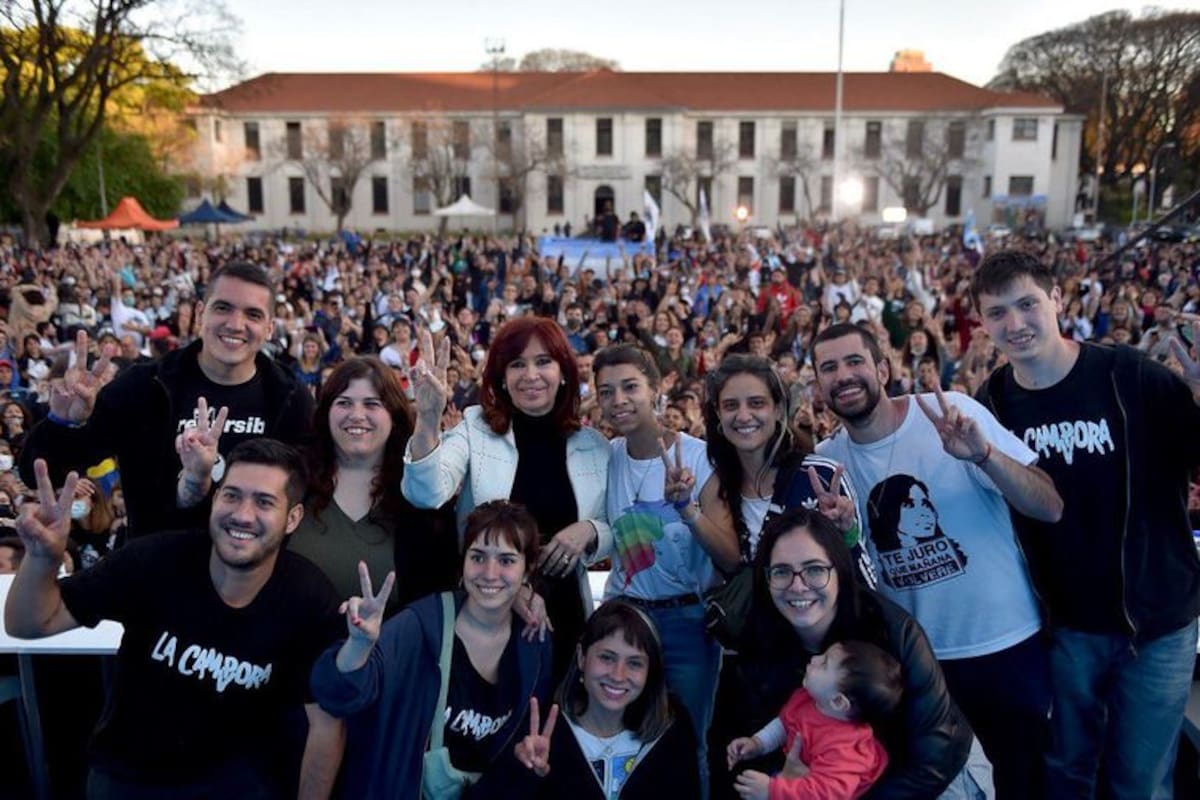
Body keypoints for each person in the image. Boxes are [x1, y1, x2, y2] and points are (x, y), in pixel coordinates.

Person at [971, 250, 1200, 800]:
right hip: (1067, 626)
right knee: (1066, 772)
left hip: (1160, 622)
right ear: (982, 323)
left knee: (1140, 782)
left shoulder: (1129, 376)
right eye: (997, 312)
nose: (1015, 324)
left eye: (1027, 304)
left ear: (1057, 300)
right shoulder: (994, 404)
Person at [4, 439, 345, 798]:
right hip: (128, 778)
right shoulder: (155, 561)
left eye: (264, 502)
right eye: (231, 495)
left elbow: (325, 726)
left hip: (238, 784)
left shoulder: (308, 597)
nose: (242, 514)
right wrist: (41, 559)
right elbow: (28, 623)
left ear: (292, 518)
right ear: (215, 500)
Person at [811, 322, 1063, 799]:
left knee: (1027, 784)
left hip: (1006, 649)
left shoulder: (951, 414)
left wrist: (983, 455)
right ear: (818, 385)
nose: (843, 376)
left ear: (882, 367)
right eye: (828, 368)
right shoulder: (827, 463)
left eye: (854, 362)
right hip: (920, 667)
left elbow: (1049, 504)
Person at [19, 261, 315, 538]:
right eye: (223, 308)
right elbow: (38, 473)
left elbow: (304, 495)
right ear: (201, 313)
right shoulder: (144, 386)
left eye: (253, 314)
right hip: (153, 572)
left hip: (252, 578)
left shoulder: (289, 397)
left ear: (270, 328)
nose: (236, 324)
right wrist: (63, 423)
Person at [403, 317, 612, 679]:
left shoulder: (593, 446)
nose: (531, 374)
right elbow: (426, 492)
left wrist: (591, 531)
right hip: (488, 603)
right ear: (501, 377)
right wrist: (428, 419)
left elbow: (620, 527)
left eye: (543, 361)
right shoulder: (475, 427)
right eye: (517, 364)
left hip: (564, 614)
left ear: (564, 372)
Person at [310, 500, 553, 799]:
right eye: (478, 557)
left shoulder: (534, 644)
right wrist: (358, 645)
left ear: (527, 571)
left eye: (506, 560)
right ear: (463, 562)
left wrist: (525, 763)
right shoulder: (420, 626)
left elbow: (517, 755)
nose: (489, 573)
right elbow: (338, 696)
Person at [736, 508, 972, 798]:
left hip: (916, 781)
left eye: (814, 569)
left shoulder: (896, 632)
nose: (798, 586)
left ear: (840, 571)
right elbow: (750, 742)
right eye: (782, 571)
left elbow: (933, 758)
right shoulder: (759, 638)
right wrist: (783, 780)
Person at [594, 343, 739, 797]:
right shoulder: (605, 457)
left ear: (656, 390)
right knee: (623, 739)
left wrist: (688, 509)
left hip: (687, 624)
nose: (618, 400)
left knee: (688, 739)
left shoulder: (697, 458)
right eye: (606, 391)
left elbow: (731, 556)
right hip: (625, 619)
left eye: (630, 387)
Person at [288, 356, 457, 613]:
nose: (357, 415)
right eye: (344, 403)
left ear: (394, 415)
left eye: (371, 404)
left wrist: (428, 423)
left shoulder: (419, 495)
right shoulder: (293, 476)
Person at [512, 599, 701, 799]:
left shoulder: (672, 726)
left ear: (650, 671)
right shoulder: (540, 732)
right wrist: (525, 773)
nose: (618, 676)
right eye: (607, 658)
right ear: (581, 657)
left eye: (635, 663)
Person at [726, 639, 901, 800]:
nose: (815, 658)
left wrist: (772, 791)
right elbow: (786, 723)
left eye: (824, 664)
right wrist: (758, 743)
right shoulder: (808, 698)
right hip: (797, 777)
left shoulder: (842, 751)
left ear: (838, 701)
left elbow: (823, 794)